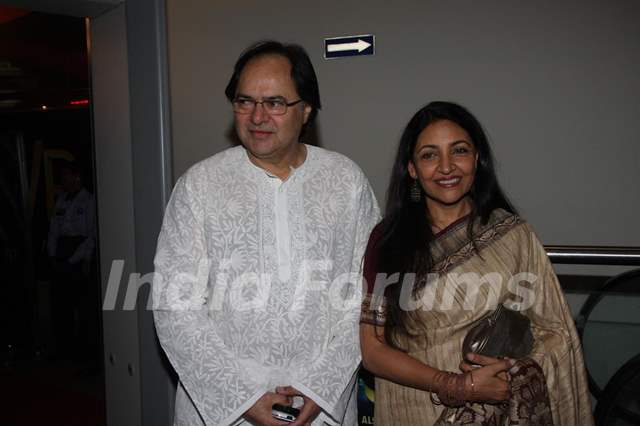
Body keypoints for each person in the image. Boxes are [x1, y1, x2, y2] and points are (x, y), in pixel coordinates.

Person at [153, 40, 380, 426]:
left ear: (306, 109)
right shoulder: (200, 185)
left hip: (320, 409)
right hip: (224, 410)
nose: (257, 116)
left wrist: (321, 389)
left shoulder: (346, 181)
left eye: (275, 102)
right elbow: (175, 307)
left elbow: (366, 296)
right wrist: (241, 398)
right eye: (244, 101)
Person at [359, 101, 593, 425]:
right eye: (429, 155)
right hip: (414, 411)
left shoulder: (512, 235)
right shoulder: (387, 241)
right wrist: (457, 385)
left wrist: (512, 375)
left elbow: (555, 332)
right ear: (411, 169)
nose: (446, 167)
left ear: (477, 158)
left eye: (459, 151)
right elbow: (372, 351)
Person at [47, 160, 97, 359]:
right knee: (61, 306)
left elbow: (91, 235)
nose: (63, 179)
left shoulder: (89, 201)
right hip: (61, 253)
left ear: (77, 177)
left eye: (67, 175)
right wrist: (52, 255)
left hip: (78, 255)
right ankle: (63, 348)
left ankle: (83, 351)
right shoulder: (61, 200)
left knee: (82, 307)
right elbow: (53, 230)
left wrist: (78, 259)